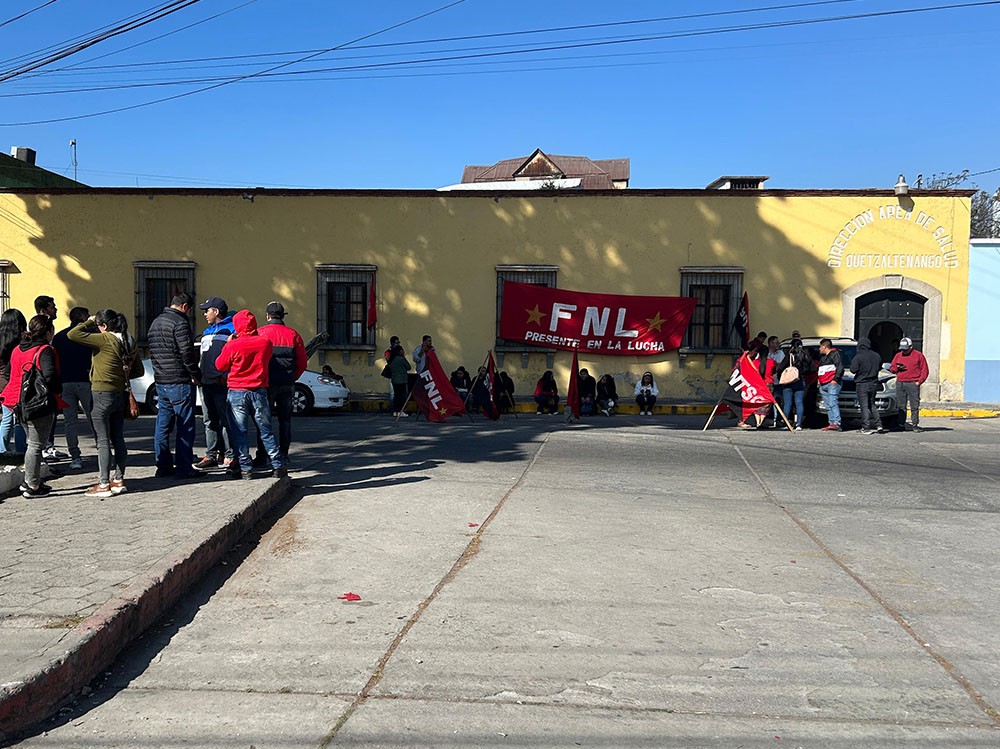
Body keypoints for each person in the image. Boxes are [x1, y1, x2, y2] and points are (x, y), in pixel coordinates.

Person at [69, 310, 144, 498]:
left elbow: (73, 334)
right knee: (118, 437)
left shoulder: (104, 339)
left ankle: (103, 483)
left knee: (102, 440)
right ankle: (118, 479)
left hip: (101, 393)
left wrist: (89, 321)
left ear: (104, 326)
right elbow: (138, 371)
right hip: (120, 394)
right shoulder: (129, 341)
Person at [214, 310, 286, 479]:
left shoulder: (233, 345)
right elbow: (267, 358)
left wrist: (228, 344)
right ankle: (278, 465)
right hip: (259, 390)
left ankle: (245, 468)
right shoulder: (265, 343)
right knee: (266, 430)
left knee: (240, 431)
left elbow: (220, 365)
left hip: (237, 391)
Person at [2, 315, 61, 497]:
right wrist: (54, 392)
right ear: (48, 332)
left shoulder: (17, 349)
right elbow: (50, 376)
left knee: (32, 442)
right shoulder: (45, 350)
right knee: (35, 444)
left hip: (17, 401)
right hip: (37, 402)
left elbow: (9, 373)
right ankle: (31, 485)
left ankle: (31, 481)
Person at [148, 292, 202, 479]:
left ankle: (162, 465)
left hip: (161, 381)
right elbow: (187, 352)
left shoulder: (155, 322)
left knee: (163, 425)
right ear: (185, 306)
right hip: (179, 381)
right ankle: (184, 468)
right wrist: (195, 374)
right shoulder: (180, 323)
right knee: (185, 425)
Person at [255, 301, 307, 467]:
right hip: (287, 383)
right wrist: (292, 377)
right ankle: (283, 454)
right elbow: (302, 362)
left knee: (264, 420)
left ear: (267, 316)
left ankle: (262, 455)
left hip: (266, 383)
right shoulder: (293, 334)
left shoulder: (260, 333)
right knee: (285, 421)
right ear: (283, 316)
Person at [193, 297, 235, 472]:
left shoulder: (231, 330)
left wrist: (225, 376)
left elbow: (234, 357)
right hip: (205, 383)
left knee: (226, 420)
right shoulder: (207, 331)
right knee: (209, 420)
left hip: (221, 383)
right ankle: (211, 454)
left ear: (216, 312)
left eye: (207, 310)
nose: (204, 314)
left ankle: (230, 455)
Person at [52, 307, 96, 470]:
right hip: (85, 381)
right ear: (82, 317)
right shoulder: (88, 336)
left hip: (65, 382)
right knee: (94, 419)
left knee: (70, 422)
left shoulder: (59, 337)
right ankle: (103, 451)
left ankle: (75, 457)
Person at [34, 296, 65, 461]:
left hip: (48, 383)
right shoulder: (41, 332)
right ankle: (44, 448)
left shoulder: (48, 327)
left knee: (51, 418)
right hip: (42, 385)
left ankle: (49, 445)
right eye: (52, 307)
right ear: (43, 310)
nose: (56, 309)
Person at [0, 308, 28, 454]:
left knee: (6, 418)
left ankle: (3, 450)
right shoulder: (23, 342)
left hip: (2, 384)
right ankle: (21, 450)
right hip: (18, 382)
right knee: (20, 420)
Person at [889, 337, 929, 432]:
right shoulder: (898, 355)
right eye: (902, 349)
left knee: (914, 405)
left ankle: (915, 424)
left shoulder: (919, 356)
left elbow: (925, 370)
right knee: (901, 405)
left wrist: (919, 382)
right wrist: (897, 368)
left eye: (906, 349)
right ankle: (901, 424)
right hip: (900, 382)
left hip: (912, 383)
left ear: (911, 347)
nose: (904, 351)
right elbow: (892, 368)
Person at [850, 336, 884, 435]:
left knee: (864, 406)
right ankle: (879, 425)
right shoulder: (876, 356)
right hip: (873, 383)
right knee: (872, 404)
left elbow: (853, 369)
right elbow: (879, 367)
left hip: (862, 384)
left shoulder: (859, 356)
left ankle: (866, 427)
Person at [775, 337, 811, 431]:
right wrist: (803, 374)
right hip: (800, 381)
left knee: (787, 403)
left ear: (791, 346)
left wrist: (781, 377)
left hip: (789, 382)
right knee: (799, 402)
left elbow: (780, 367)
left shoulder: (789, 355)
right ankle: (799, 424)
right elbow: (813, 368)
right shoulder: (805, 355)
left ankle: (786, 423)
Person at [817, 338, 844, 432]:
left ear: (824, 346)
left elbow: (840, 367)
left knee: (833, 403)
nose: (819, 349)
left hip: (831, 383)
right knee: (828, 405)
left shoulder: (835, 354)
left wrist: (835, 379)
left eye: (820, 346)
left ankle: (837, 423)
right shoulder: (823, 358)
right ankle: (831, 422)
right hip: (823, 384)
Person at [765, 336, 785, 427]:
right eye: (775, 343)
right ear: (770, 343)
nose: (777, 344)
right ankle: (766, 419)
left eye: (778, 343)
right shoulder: (766, 353)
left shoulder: (780, 353)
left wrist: (773, 364)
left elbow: (781, 365)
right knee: (767, 402)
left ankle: (778, 420)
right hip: (767, 381)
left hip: (778, 381)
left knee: (778, 400)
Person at [388, 344, 411, 417]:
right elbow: (408, 367)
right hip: (402, 380)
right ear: (400, 351)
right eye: (402, 350)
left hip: (394, 380)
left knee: (396, 396)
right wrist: (404, 357)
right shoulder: (401, 359)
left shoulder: (392, 359)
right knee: (402, 396)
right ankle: (401, 411)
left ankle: (395, 411)